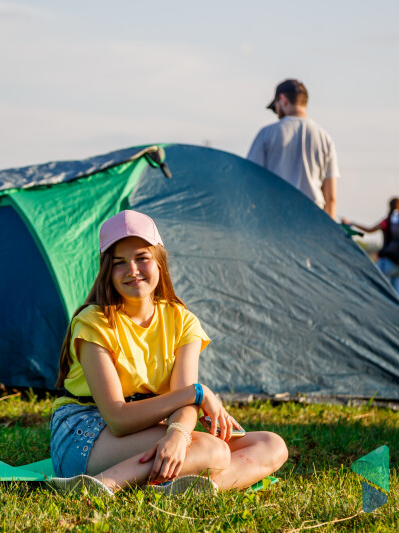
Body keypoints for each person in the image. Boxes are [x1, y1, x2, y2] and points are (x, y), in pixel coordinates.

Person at [49, 210, 288, 497]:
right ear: (107, 271)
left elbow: (183, 401)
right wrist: (197, 394)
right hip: (86, 434)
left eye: (142, 258)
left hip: (152, 429)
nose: (132, 270)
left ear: (159, 260)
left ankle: (175, 489)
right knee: (212, 450)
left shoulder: (182, 320)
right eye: (119, 263)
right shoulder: (93, 322)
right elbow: (118, 419)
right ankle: (104, 484)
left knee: (271, 445)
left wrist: (177, 433)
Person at [247, 79, 340, 219]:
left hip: (276, 216)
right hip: (313, 219)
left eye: (275, 108)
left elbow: (250, 181)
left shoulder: (267, 134)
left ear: (283, 100)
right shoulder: (325, 138)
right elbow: (331, 197)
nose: (277, 113)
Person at [342, 197, 399, 305]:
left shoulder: (387, 221)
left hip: (387, 261)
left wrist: (352, 223)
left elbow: (370, 229)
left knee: (381, 293)